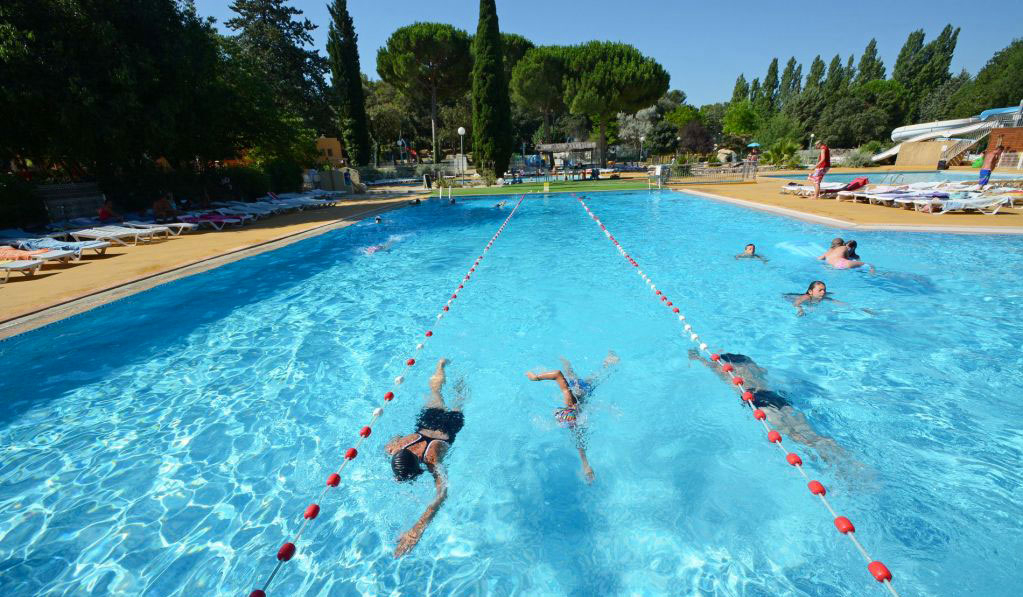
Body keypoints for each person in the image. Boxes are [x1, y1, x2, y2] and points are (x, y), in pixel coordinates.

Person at [688, 350, 845, 462]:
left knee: (793, 434)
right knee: (807, 431)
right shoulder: (753, 365)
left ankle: (823, 457)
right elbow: (764, 371)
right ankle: (836, 451)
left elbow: (710, 364)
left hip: (756, 400)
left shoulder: (726, 371)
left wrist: (697, 357)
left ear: (725, 364)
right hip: (776, 396)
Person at [384, 358, 465, 557]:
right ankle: (448, 369)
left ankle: (444, 369)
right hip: (429, 423)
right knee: (442, 393)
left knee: (455, 400)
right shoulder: (397, 447)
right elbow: (393, 440)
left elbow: (442, 494)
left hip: (447, 427)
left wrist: (417, 529)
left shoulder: (431, 460)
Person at [525, 351, 619, 483]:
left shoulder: (572, 410)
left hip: (581, 389)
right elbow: (557, 374)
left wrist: (586, 466)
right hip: (579, 389)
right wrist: (535, 378)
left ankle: (606, 362)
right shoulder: (570, 404)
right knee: (578, 375)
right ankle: (570, 360)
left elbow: (580, 444)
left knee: (586, 377)